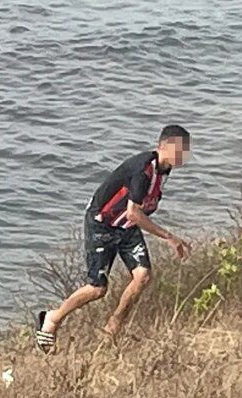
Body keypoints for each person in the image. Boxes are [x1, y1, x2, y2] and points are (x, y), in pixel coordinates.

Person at [35, 125, 193, 354]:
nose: (182, 155)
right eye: (178, 149)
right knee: (97, 288)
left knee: (143, 276)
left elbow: (136, 213)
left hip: (126, 227)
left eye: (185, 150)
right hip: (103, 223)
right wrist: (170, 237)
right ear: (162, 146)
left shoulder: (164, 169)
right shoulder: (143, 170)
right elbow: (134, 213)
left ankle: (113, 327)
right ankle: (51, 319)